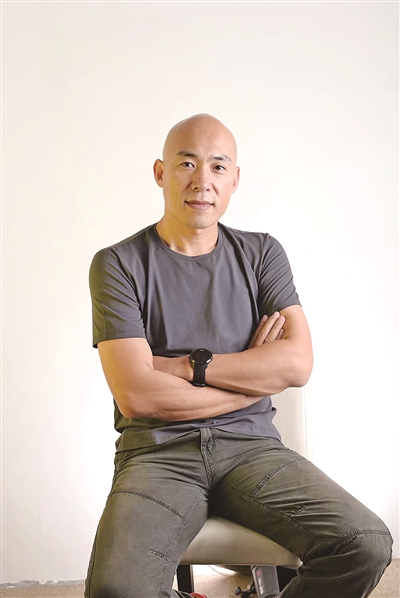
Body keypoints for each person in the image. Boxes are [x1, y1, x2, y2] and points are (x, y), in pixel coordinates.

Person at [86, 114, 392, 598]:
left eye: (218, 166)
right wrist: (253, 380)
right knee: (115, 589)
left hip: (251, 450)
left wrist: (185, 366)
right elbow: (138, 396)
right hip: (157, 455)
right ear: (160, 173)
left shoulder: (262, 254)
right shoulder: (117, 264)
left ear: (235, 179)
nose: (202, 181)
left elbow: (297, 364)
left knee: (364, 543)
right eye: (186, 163)